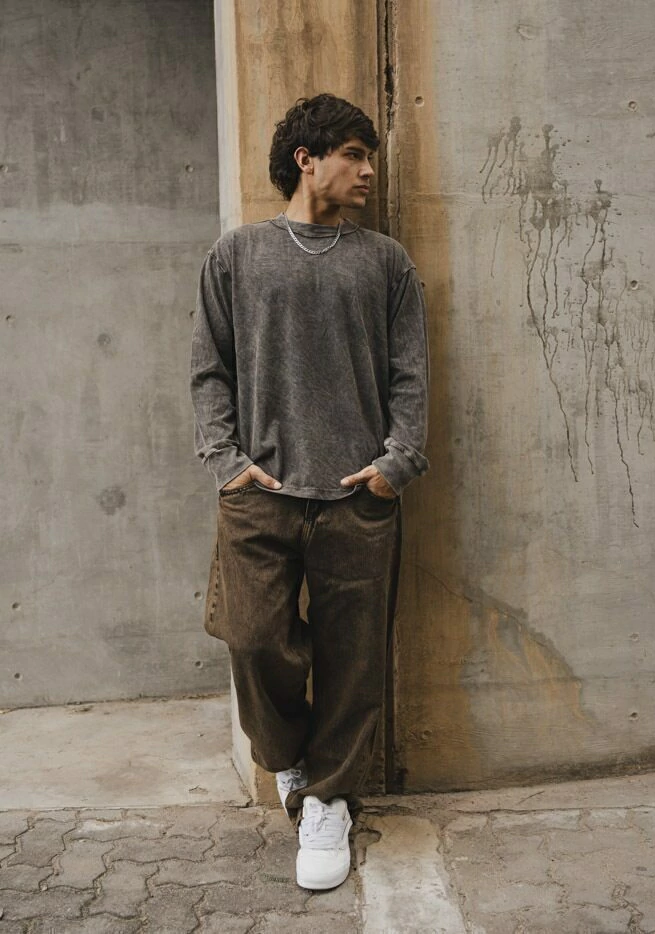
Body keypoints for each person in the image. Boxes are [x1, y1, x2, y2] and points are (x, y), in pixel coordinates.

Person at [190, 93, 429, 890]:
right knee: (255, 639)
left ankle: (329, 799)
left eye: (370, 159)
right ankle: (291, 761)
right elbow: (208, 369)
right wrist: (225, 461)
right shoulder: (237, 255)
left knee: (354, 661)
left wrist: (396, 465)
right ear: (307, 159)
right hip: (260, 493)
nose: (368, 172)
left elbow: (410, 373)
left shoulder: (386, 261)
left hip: (359, 498)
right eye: (354, 155)